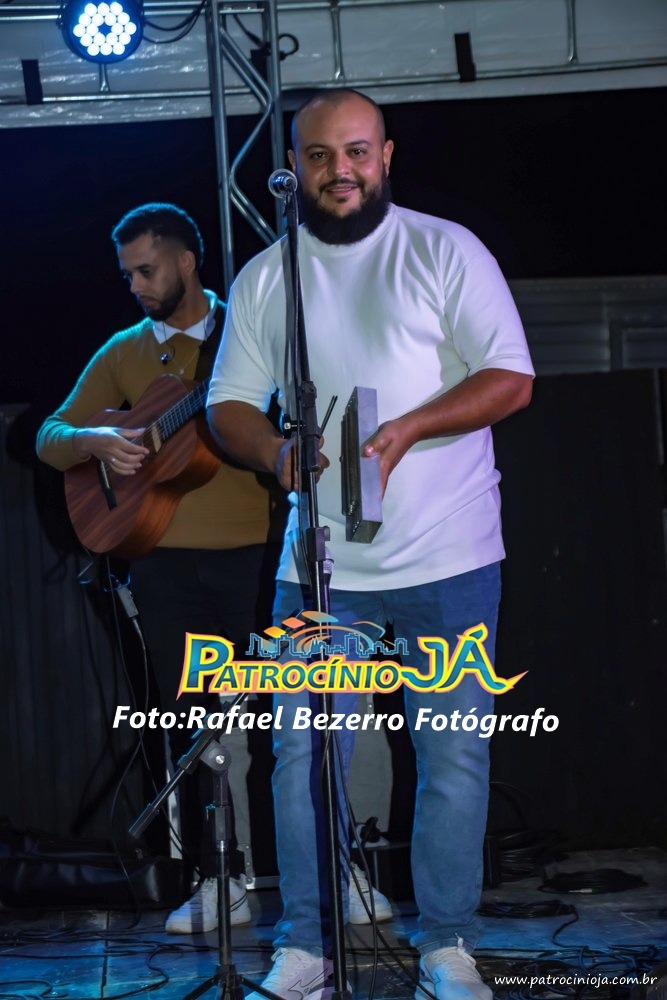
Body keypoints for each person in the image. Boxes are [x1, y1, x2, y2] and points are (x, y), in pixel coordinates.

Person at [207, 90, 534, 999]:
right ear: (293, 167)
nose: (338, 170)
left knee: (451, 753)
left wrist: (408, 429)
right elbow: (227, 404)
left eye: (356, 151)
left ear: (385, 156)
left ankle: (446, 945)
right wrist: (274, 450)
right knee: (303, 756)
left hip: (449, 556)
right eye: (319, 155)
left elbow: (511, 377)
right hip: (318, 569)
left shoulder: (444, 249)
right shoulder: (270, 277)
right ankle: (307, 946)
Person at [36, 202, 272, 935]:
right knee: (196, 728)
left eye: (147, 270)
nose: (136, 285)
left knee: (288, 721)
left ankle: (321, 872)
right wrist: (96, 440)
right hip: (163, 564)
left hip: (257, 557)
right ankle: (218, 876)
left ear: (186, 261)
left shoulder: (249, 330)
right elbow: (49, 435)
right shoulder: (124, 350)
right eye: (128, 274)